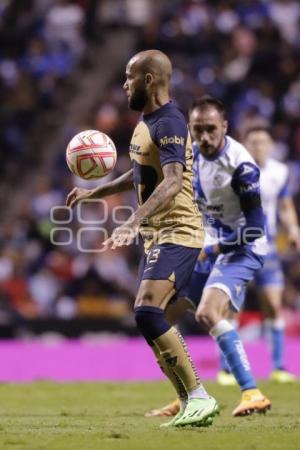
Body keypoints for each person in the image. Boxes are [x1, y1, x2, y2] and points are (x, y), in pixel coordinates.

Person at [66, 50, 218, 428]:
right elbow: (137, 174)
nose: (124, 84)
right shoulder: (146, 122)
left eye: (129, 76)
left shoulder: (169, 122)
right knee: (152, 320)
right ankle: (190, 402)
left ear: (149, 79)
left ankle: (199, 397)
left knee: (148, 311)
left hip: (178, 231)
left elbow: (170, 180)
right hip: (158, 235)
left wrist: (132, 221)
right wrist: (94, 193)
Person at [146, 95, 272, 419]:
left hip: (242, 248)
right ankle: (189, 395)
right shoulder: (191, 157)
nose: (204, 138)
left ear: (225, 127)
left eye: (211, 130)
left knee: (207, 313)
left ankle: (252, 392)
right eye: (197, 130)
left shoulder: (241, 166)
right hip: (211, 244)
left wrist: (214, 248)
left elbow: (257, 228)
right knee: (161, 314)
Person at [217, 127, 299, 385]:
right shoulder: (233, 170)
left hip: (269, 247)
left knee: (273, 306)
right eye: (253, 142)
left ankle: (278, 367)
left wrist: (294, 228)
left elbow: (285, 206)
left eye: (263, 141)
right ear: (245, 145)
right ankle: (226, 370)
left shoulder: (280, 172)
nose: (258, 146)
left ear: (272, 144)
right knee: (232, 308)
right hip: (239, 246)